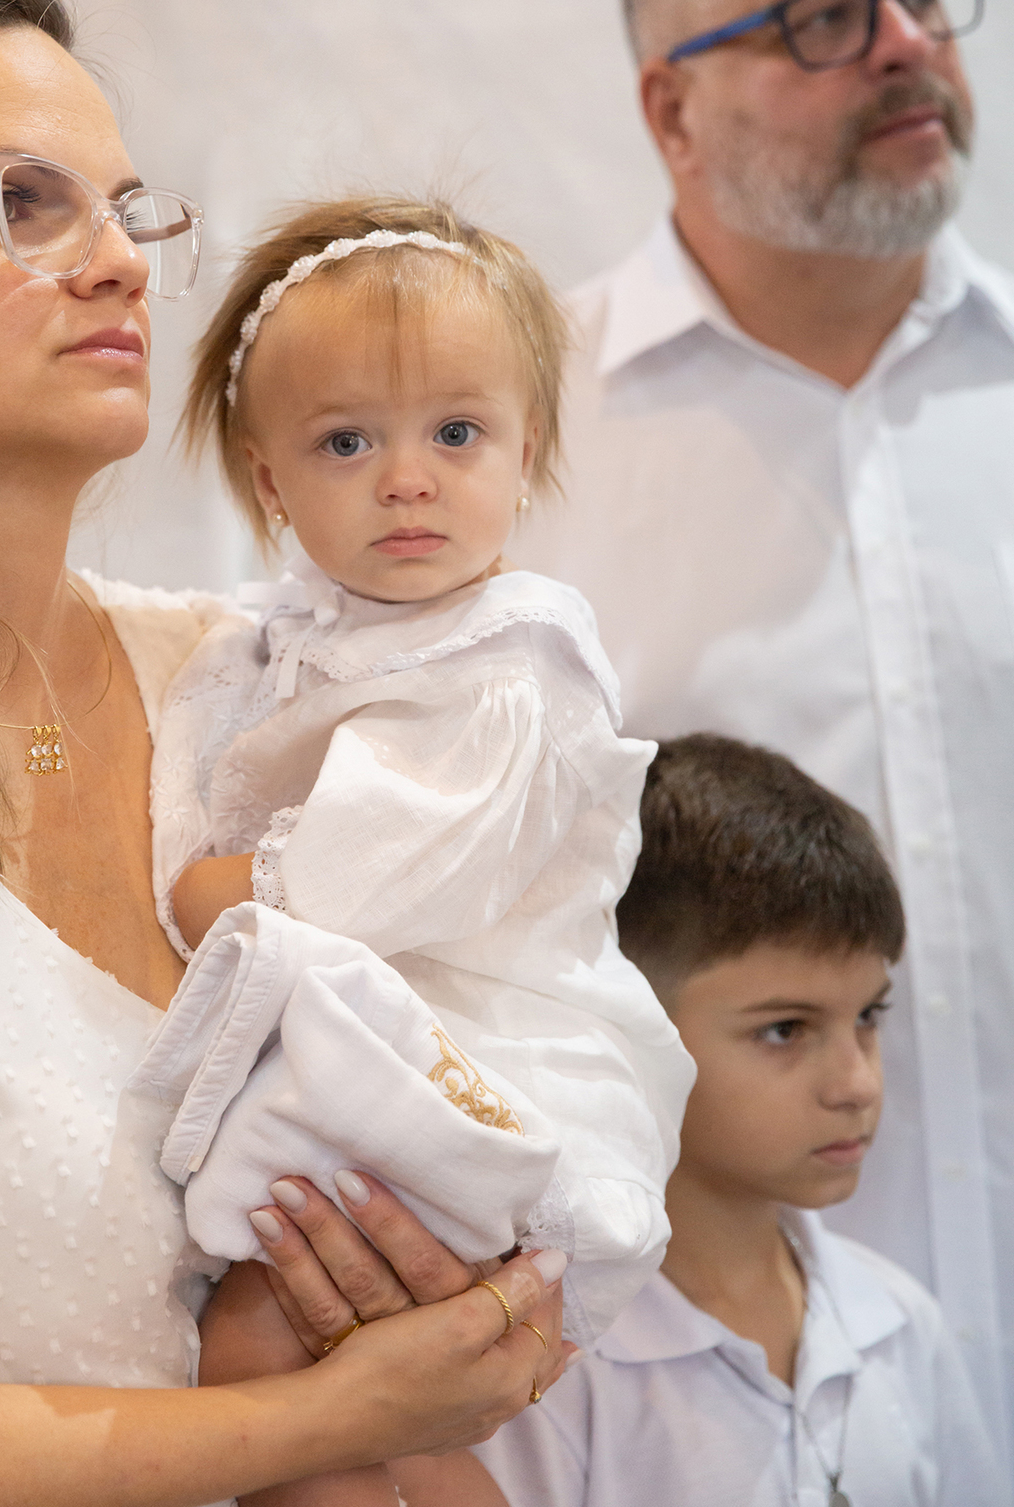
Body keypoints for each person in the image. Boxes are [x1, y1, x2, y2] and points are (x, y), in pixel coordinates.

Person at [0, 0, 570, 1507]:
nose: (116, 264)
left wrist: (479, 1296)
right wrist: (317, 1422)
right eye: (12, 201)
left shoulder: (254, 684)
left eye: (129, 209)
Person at [510, 0, 1014, 1460]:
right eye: (825, 16)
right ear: (671, 105)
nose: (906, 45)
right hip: (695, 1412)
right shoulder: (514, 448)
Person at [142, 198, 694, 1374]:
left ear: (527, 446)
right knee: (267, 1346)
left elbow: (363, 877)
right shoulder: (287, 631)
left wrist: (205, 894)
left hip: (495, 1069)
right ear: (271, 482)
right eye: (347, 443)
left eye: (456, 433)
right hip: (362, 1062)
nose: (407, 481)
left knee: (264, 1350)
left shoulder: (511, 661)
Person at [475, 734, 1005, 1505]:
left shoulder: (897, 1323)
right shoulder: (542, 1367)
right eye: (785, 1029)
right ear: (625, 1026)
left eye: (869, 1016)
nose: (857, 1083)